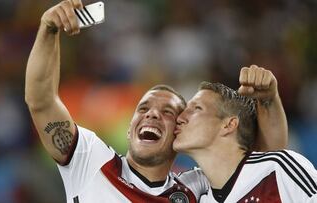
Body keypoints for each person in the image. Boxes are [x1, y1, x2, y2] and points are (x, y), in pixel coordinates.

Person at [25, 0, 288, 202]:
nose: (152, 114)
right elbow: (40, 101)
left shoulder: (197, 188)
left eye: (167, 112)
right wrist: (48, 30)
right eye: (144, 108)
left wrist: (269, 100)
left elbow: (268, 165)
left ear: (179, 132)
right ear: (130, 128)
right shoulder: (91, 161)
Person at [174, 79, 317, 202]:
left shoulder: (277, 169)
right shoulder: (197, 195)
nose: (180, 118)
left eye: (197, 108)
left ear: (228, 125)